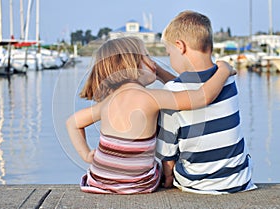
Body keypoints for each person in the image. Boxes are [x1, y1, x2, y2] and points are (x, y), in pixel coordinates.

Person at [66, 36, 234, 194]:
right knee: (165, 160)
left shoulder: (107, 102)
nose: (153, 62)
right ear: (133, 64)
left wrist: (87, 154)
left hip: (99, 181)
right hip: (139, 184)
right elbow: (199, 97)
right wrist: (223, 71)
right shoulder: (151, 97)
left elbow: (72, 123)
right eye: (146, 56)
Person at [156, 10, 257, 194]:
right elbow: (194, 88)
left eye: (169, 53)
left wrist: (168, 177)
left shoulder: (172, 92)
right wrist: (159, 72)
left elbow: (167, 154)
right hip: (240, 180)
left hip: (198, 183)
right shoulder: (227, 79)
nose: (170, 59)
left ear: (180, 46)